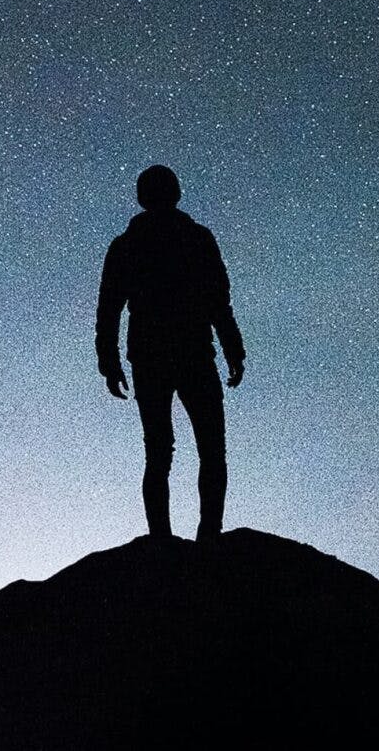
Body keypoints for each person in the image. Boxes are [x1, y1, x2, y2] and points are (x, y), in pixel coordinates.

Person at [97, 164, 245, 541]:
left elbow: (109, 308)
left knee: (165, 452)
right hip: (186, 353)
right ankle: (203, 533)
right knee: (205, 449)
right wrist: (233, 348)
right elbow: (219, 302)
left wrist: (109, 360)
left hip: (158, 355)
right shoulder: (195, 239)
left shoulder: (130, 244)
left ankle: (170, 536)